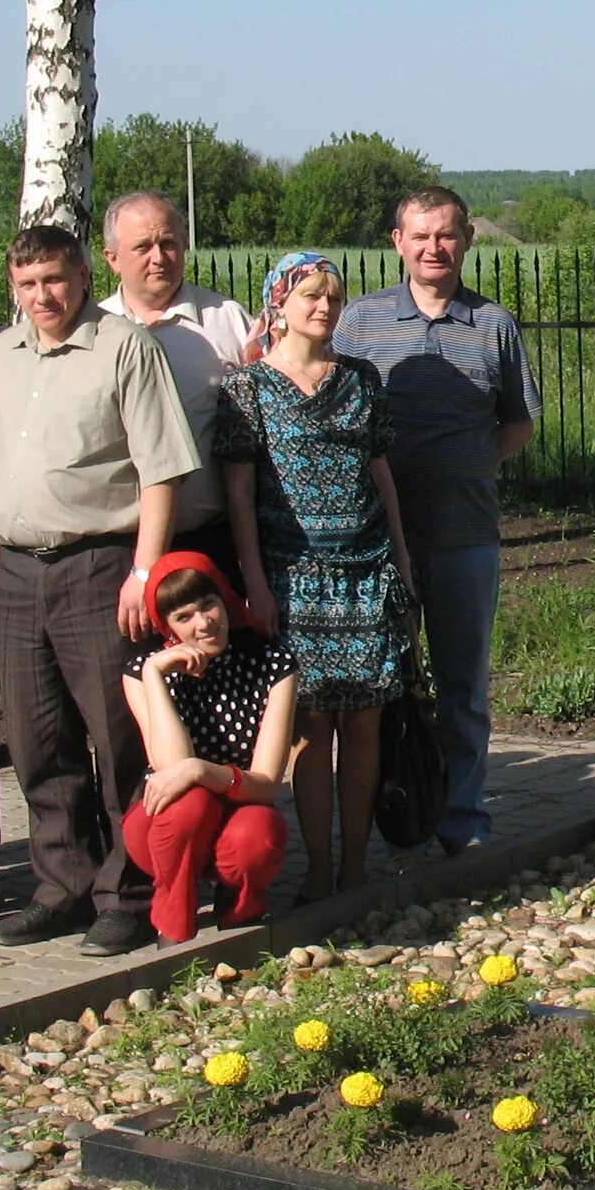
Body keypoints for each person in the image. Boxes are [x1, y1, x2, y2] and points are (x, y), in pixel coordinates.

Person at [0, 223, 200, 954]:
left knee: (118, 740)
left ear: (81, 276)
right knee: (39, 744)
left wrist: (144, 570)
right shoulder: (0, 358)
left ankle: (126, 892)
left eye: (54, 280)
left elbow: (161, 469)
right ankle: (62, 886)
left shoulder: (122, 347)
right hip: (15, 570)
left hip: (99, 566)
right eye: (28, 284)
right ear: (13, 288)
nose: (43, 296)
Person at [335, 188, 536, 853]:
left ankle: (462, 821)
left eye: (445, 235)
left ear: (467, 239)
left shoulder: (493, 325)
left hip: (463, 535)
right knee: (374, 690)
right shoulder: (359, 323)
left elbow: (517, 422)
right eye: (420, 236)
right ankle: (390, 815)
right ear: (397, 242)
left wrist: (472, 465)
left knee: (462, 687)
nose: (433, 248)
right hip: (372, 542)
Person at [218, 252, 419, 898]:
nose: (324, 307)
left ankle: (356, 865)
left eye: (333, 296)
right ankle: (319, 868)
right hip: (293, 579)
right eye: (310, 295)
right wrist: (253, 578)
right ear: (278, 303)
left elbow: (382, 473)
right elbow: (239, 495)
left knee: (363, 724)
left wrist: (402, 557)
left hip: (363, 574)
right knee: (308, 728)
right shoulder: (246, 390)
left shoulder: (360, 379)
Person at [118, 555, 296, 944]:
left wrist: (200, 770)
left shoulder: (274, 664)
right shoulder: (143, 672)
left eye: (208, 606)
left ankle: (241, 912)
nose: (203, 623)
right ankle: (173, 918)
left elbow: (266, 785)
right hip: (164, 827)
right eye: (184, 617)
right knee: (188, 803)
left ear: (225, 599)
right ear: (168, 627)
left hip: (241, 814)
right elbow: (170, 767)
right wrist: (155, 677)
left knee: (260, 834)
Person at [101, 190, 253, 584]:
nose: (159, 257)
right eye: (143, 247)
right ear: (111, 258)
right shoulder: (93, 332)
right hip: (117, 552)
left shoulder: (228, 322)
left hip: (211, 545)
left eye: (169, 243)